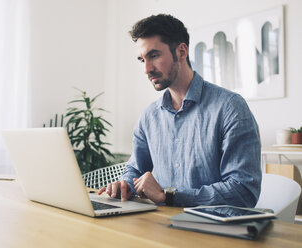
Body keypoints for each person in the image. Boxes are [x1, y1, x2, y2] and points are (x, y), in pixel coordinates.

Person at [98, 14, 261, 207]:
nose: (147, 69)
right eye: (142, 60)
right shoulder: (149, 116)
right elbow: (135, 170)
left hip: (216, 230)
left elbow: (243, 192)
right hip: (162, 226)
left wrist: (169, 195)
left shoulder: (230, 108)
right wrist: (125, 186)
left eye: (154, 55)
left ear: (181, 52)